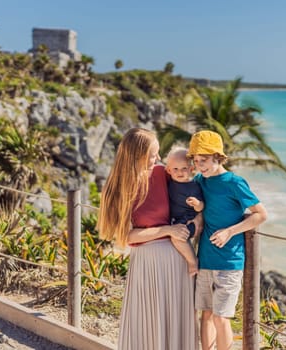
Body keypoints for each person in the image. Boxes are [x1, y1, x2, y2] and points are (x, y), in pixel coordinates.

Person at [97, 128, 198, 350]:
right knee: (149, 326)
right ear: (136, 155)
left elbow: (197, 182)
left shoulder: (163, 172)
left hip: (176, 259)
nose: (158, 159)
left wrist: (198, 220)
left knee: (176, 324)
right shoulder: (117, 189)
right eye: (153, 154)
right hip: (146, 263)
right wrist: (167, 231)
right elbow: (126, 236)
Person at [187, 130, 267, 350]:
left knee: (221, 318)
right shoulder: (200, 181)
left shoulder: (235, 182)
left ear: (217, 157)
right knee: (206, 315)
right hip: (205, 260)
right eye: (195, 160)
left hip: (230, 262)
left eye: (203, 160)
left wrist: (230, 231)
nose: (199, 165)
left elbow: (261, 214)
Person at [165, 147, 204, 276]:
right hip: (175, 220)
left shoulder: (193, 186)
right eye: (175, 169)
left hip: (189, 220)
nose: (180, 172)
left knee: (176, 238)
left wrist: (197, 204)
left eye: (184, 169)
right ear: (169, 170)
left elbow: (202, 206)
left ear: (191, 169)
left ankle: (192, 262)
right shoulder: (169, 182)